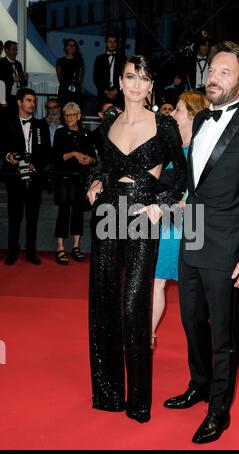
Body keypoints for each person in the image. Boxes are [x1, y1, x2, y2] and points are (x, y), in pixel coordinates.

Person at [164, 41, 239, 444]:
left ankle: (219, 410)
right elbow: (196, 182)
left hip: (230, 248)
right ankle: (198, 384)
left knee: (224, 335)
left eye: (225, 72)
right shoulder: (198, 122)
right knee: (190, 320)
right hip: (192, 235)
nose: (213, 76)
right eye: (212, 69)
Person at [86, 55, 187, 423]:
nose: (136, 84)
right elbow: (102, 165)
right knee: (104, 300)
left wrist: (162, 200)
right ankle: (109, 393)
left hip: (143, 214)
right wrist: (94, 182)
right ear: (120, 78)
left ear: (151, 85)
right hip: (108, 211)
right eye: (131, 77)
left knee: (134, 305)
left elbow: (182, 173)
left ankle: (138, 401)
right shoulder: (108, 122)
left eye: (144, 79)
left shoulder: (163, 124)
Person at [152, 91, 208, 348]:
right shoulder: (173, 147)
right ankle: (147, 335)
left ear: (193, 115)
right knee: (158, 280)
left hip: (187, 220)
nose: (172, 114)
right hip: (168, 219)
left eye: (178, 109)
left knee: (190, 288)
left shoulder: (201, 149)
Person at [0, 88, 51, 265]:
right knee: (14, 216)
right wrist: (8, 157)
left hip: (35, 178)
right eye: (29, 100)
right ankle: (12, 251)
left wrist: (35, 164)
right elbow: (2, 146)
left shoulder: (41, 125)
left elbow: (46, 152)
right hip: (14, 177)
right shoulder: (7, 123)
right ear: (19, 102)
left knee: (32, 217)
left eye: (34, 101)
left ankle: (31, 251)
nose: (32, 104)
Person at [53, 102, 96, 265]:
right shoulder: (60, 133)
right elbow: (56, 157)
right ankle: (60, 247)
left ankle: (76, 246)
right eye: (66, 115)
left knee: (78, 212)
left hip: (80, 178)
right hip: (64, 177)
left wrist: (89, 159)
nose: (69, 118)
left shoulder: (86, 133)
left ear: (78, 116)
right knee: (63, 211)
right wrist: (73, 154)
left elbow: (94, 157)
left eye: (72, 115)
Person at [93, 34, 126, 107]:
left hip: (119, 95)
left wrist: (116, 90)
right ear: (106, 43)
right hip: (103, 95)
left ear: (117, 44)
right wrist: (106, 91)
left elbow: (125, 76)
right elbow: (96, 77)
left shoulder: (123, 59)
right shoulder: (99, 59)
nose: (112, 44)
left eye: (114, 42)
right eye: (110, 41)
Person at [0, 40, 27, 113]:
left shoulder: (18, 64)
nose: (16, 52)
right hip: (6, 97)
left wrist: (24, 79)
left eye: (16, 49)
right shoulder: (1, 63)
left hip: (18, 97)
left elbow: (23, 83)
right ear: (7, 50)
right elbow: (1, 82)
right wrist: (3, 99)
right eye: (13, 49)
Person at [56, 38, 84, 108]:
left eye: (73, 45)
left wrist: (75, 85)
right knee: (64, 110)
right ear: (66, 47)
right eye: (69, 45)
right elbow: (59, 78)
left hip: (76, 90)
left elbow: (80, 78)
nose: (71, 47)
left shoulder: (79, 61)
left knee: (76, 110)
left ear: (76, 48)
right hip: (64, 89)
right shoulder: (60, 61)